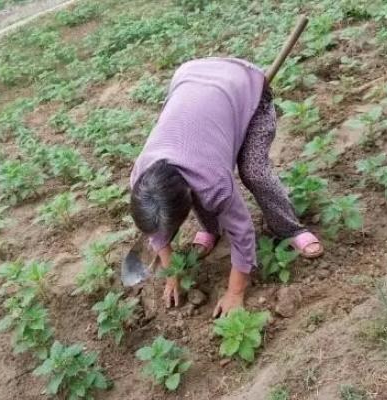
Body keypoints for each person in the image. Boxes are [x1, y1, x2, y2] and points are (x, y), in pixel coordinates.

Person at [129, 57, 323, 317]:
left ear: (188, 195)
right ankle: (212, 229)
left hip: (245, 88)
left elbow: (243, 234)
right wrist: (171, 274)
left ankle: (289, 227)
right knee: (204, 194)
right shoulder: (141, 177)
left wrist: (235, 292)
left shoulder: (211, 181)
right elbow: (156, 232)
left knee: (254, 172)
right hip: (190, 79)